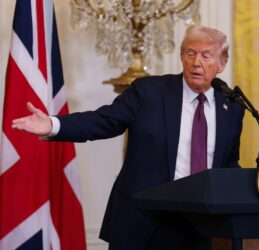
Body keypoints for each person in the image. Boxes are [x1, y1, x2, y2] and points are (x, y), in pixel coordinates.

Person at [12, 25, 245, 250]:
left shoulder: (232, 107)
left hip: (205, 228)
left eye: (206, 56)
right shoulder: (149, 91)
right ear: (182, 56)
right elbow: (103, 121)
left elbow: (228, 163)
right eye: (190, 53)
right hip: (148, 224)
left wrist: (253, 190)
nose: (196, 62)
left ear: (222, 64)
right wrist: (54, 124)